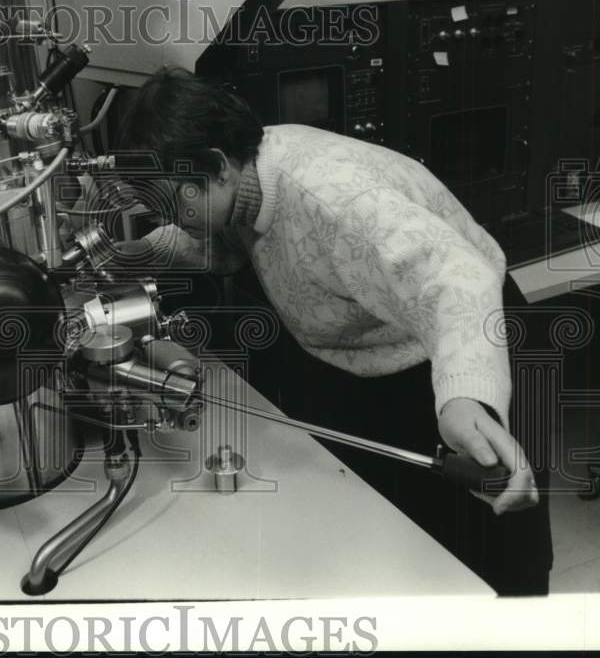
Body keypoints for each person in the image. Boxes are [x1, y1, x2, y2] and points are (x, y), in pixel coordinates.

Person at [115, 66, 552, 595]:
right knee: (405, 540)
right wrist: (131, 252)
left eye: (170, 202)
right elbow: (218, 239)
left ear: (216, 166)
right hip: (370, 352)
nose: (168, 216)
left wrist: (464, 398)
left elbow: (457, 282)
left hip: (462, 341)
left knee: (493, 543)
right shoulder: (242, 172)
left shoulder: (333, 197)